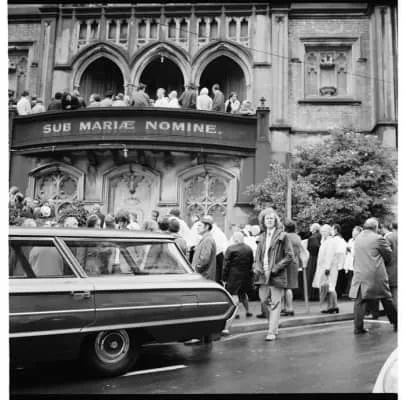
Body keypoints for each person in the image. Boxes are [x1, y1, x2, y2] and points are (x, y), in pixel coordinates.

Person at [349, 218, 397, 334]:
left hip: (360, 274)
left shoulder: (357, 238)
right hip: (375, 275)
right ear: (375, 227)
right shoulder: (378, 238)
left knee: (359, 301)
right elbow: (388, 256)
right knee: (386, 299)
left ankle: (358, 328)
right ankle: (397, 322)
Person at [253, 208, 294, 341]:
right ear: (263, 221)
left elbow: (289, 256)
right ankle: (274, 325)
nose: (269, 220)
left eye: (271, 218)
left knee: (276, 303)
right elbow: (257, 256)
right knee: (264, 300)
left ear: (275, 220)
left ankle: (271, 331)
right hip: (262, 274)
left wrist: (276, 268)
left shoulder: (283, 235)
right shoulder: (261, 237)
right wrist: (256, 267)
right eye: (267, 218)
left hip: (276, 273)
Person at [221, 232, 254, 335]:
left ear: (235, 239)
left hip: (233, 275)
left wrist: (224, 278)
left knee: (234, 295)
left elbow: (226, 265)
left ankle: (234, 314)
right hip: (246, 275)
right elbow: (251, 263)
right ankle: (248, 311)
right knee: (243, 294)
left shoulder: (231, 249)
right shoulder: (249, 249)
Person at [312, 224, 338, 313]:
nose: (323, 233)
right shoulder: (325, 241)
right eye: (322, 231)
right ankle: (334, 306)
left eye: (325, 231)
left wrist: (327, 268)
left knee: (329, 287)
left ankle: (331, 306)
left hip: (328, 268)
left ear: (329, 232)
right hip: (325, 267)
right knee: (329, 287)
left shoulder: (330, 241)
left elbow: (329, 255)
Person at [282, 220, 305, 316]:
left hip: (286, 263)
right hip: (295, 262)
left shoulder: (285, 236)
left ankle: (289, 308)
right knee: (289, 286)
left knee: (286, 287)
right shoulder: (297, 237)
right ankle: (287, 307)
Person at [192, 215, 216, 281]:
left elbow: (204, 259)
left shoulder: (207, 240)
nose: (197, 228)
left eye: (200, 225)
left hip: (203, 277)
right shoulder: (205, 239)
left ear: (207, 227)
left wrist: (195, 269)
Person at [342, 226, 362, 297]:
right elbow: (346, 251)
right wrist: (346, 250)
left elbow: (357, 252)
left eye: (355, 232)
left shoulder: (360, 241)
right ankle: (349, 293)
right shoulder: (350, 240)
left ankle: (354, 294)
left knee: (354, 278)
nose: (353, 233)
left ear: (359, 233)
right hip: (349, 261)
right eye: (353, 232)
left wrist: (350, 250)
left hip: (356, 262)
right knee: (349, 277)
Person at [306, 223, 322, 301]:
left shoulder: (312, 238)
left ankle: (311, 295)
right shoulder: (321, 236)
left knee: (311, 276)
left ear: (314, 229)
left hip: (313, 258)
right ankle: (318, 294)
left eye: (311, 227)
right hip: (319, 258)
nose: (310, 229)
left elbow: (313, 247)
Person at [384, 222, 397, 309]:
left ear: (391, 226)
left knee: (394, 296)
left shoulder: (389, 237)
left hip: (391, 271)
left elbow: (386, 253)